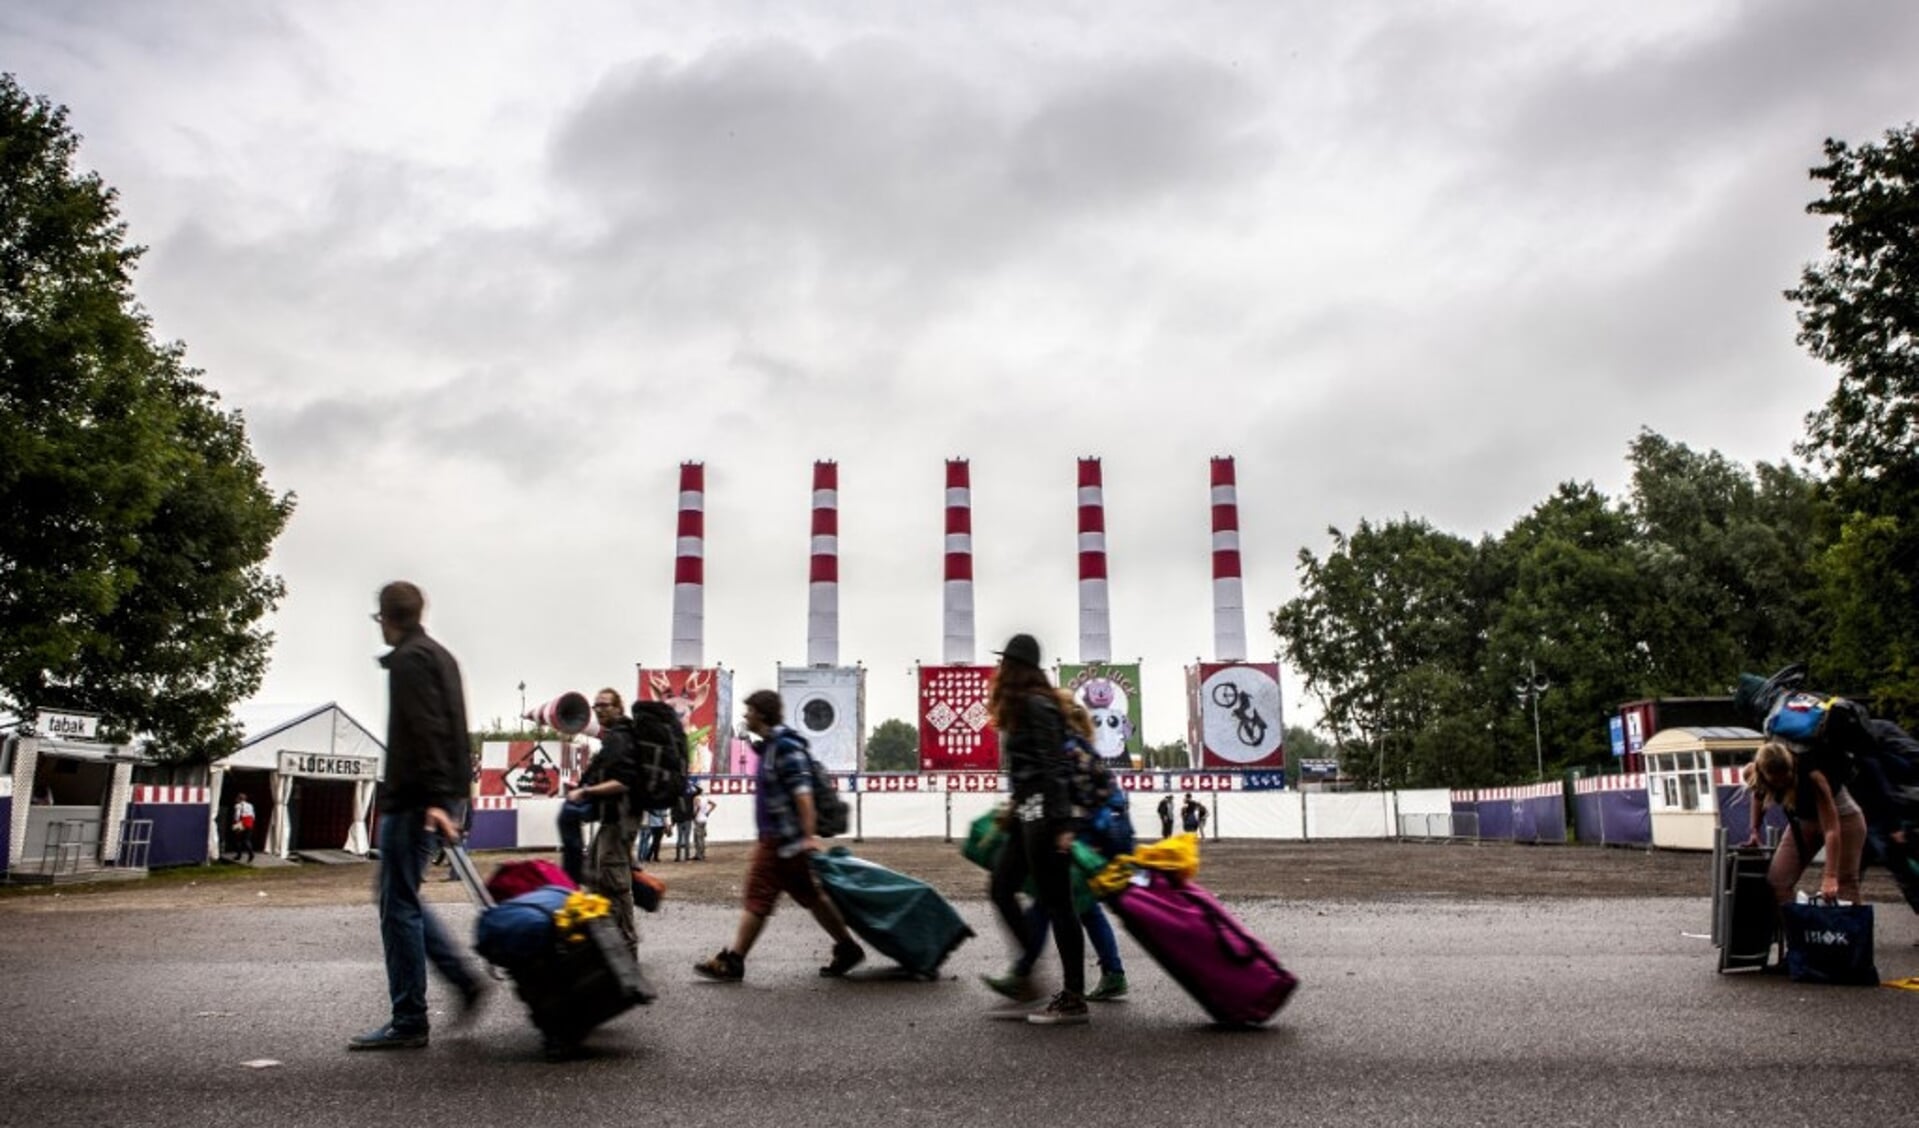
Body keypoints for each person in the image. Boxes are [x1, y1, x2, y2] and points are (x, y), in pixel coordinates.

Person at [350, 581, 486, 1051]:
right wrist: (457, 798)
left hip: (415, 799)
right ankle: (457, 980)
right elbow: (455, 732)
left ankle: (411, 1017)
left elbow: (427, 731)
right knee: (397, 895)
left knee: (396, 902)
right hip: (440, 793)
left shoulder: (410, 661)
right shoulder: (441, 656)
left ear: (386, 617)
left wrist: (432, 800)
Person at [693, 689, 863, 982]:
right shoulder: (772, 746)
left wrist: (808, 836)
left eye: (749, 711)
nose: (745, 716)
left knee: (757, 895)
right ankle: (847, 948)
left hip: (781, 840)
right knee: (812, 897)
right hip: (782, 840)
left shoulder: (786, 748)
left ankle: (734, 961)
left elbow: (804, 794)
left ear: (761, 713)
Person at [990, 692, 1128, 1004]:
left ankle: (1023, 971)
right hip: (1087, 833)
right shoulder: (1073, 744)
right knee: (1083, 908)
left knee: (1047, 902)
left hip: (1082, 835)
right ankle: (1113, 973)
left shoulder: (1067, 748)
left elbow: (1072, 792)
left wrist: (1066, 828)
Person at [982, 633, 1088, 1025]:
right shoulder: (1025, 706)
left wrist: (1064, 824)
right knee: (1000, 886)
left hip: (1045, 816)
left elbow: (1054, 766)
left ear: (1015, 668)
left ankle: (1073, 997)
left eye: (1003, 664)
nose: (998, 671)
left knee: (1059, 903)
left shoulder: (1038, 705)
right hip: (1028, 814)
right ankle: (1028, 976)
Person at [1743, 738, 1868, 906]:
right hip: (1804, 822)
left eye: (1785, 778)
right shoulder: (1755, 773)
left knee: (1844, 883)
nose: (1780, 783)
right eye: (1775, 781)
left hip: (1844, 819)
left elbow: (1831, 828)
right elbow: (1758, 796)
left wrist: (1830, 876)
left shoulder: (1812, 776)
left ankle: (1848, 931)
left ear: (1791, 768)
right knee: (1778, 882)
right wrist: (1754, 831)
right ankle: (1800, 929)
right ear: (1762, 773)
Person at [566, 689, 643, 956]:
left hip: (621, 818)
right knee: (596, 875)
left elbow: (623, 782)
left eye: (604, 705)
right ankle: (608, 940)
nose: (598, 710)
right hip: (613, 819)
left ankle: (626, 946)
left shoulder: (621, 738)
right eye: (595, 705)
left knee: (614, 879)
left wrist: (586, 792)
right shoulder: (615, 737)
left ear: (618, 707)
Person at [230, 794, 256, 862]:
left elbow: (237, 815)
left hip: (241, 823)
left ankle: (239, 855)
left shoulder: (238, 805)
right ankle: (251, 853)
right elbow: (253, 815)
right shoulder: (250, 805)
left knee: (238, 839)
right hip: (249, 822)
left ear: (239, 799)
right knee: (247, 839)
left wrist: (235, 823)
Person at [693, 793, 716, 861]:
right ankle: (701, 853)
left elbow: (698, 807)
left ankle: (699, 854)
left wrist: (694, 815)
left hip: (698, 819)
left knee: (697, 838)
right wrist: (708, 812)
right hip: (704, 819)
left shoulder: (696, 798)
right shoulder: (705, 798)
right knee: (702, 838)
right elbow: (714, 804)